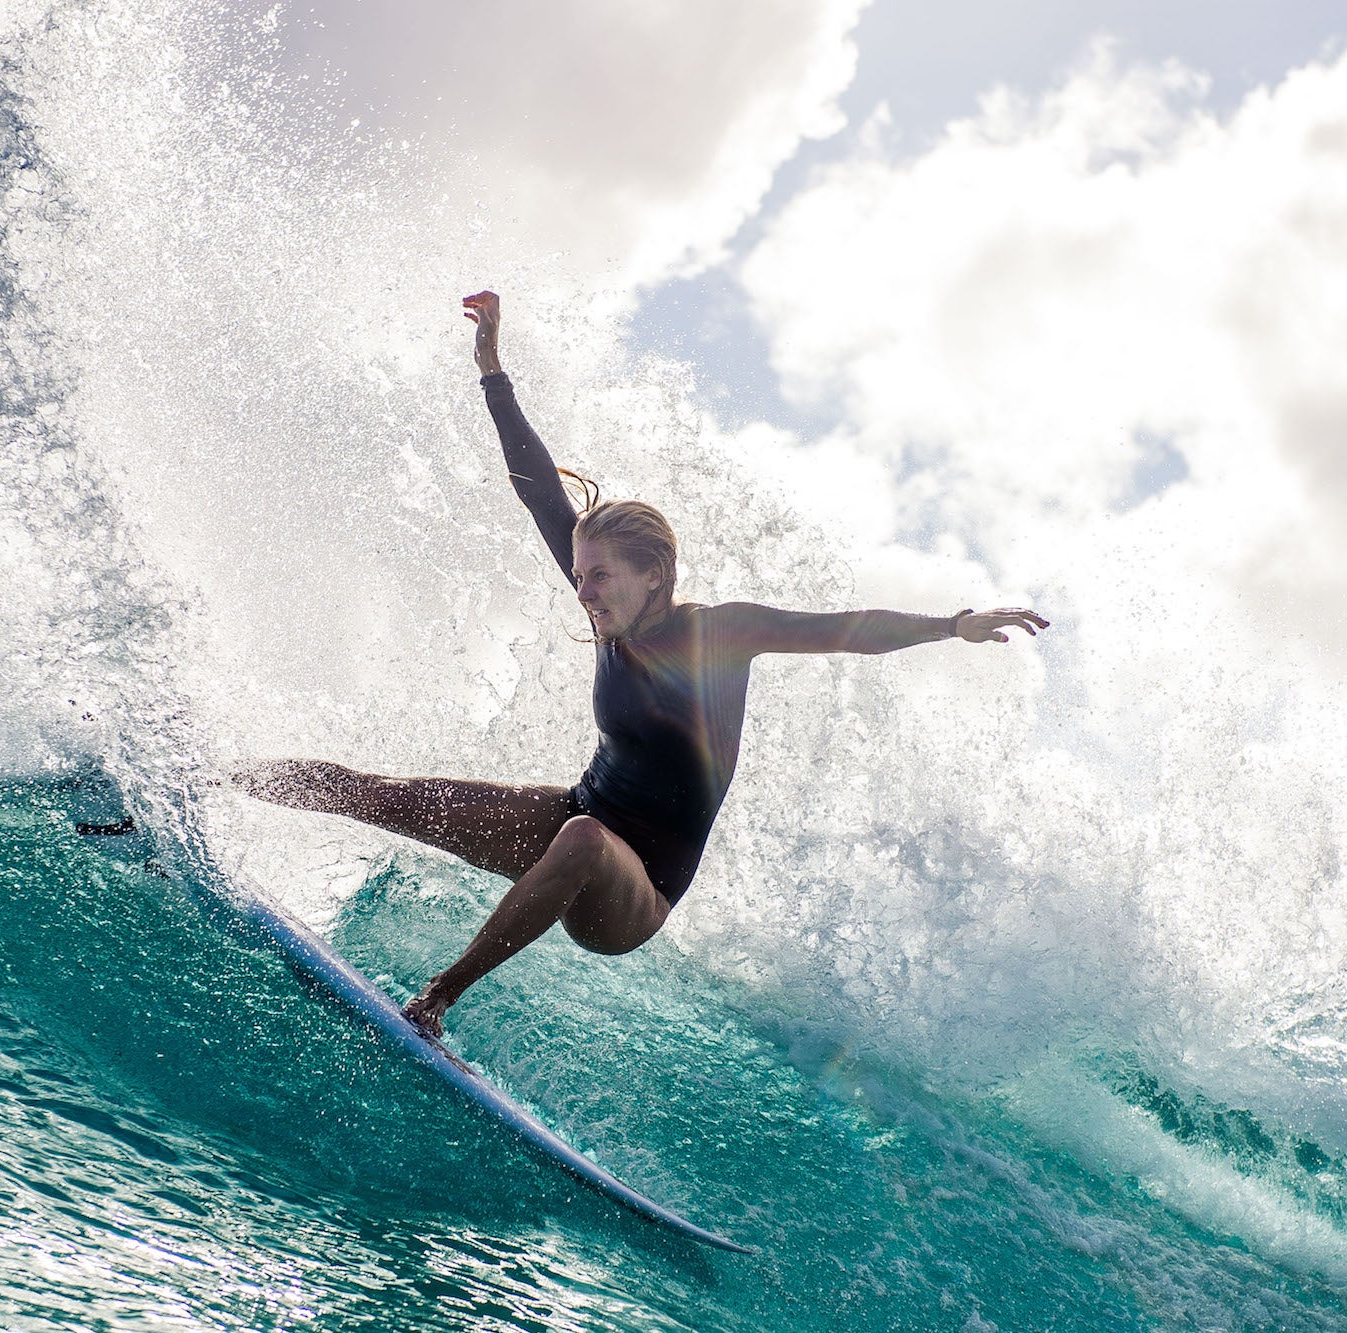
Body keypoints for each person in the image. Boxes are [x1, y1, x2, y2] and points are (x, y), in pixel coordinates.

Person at [233, 290, 1047, 1037]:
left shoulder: (718, 635)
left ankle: (435, 1002)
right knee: (385, 793)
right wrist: (493, 371)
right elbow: (536, 490)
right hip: (574, 819)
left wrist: (953, 624)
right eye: (579, 575)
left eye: (599, 577)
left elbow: (845, 629)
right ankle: (185, 779)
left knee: (586, 837)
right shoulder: (608, 610)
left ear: (655, 576)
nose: (582, 592)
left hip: (637, 892)